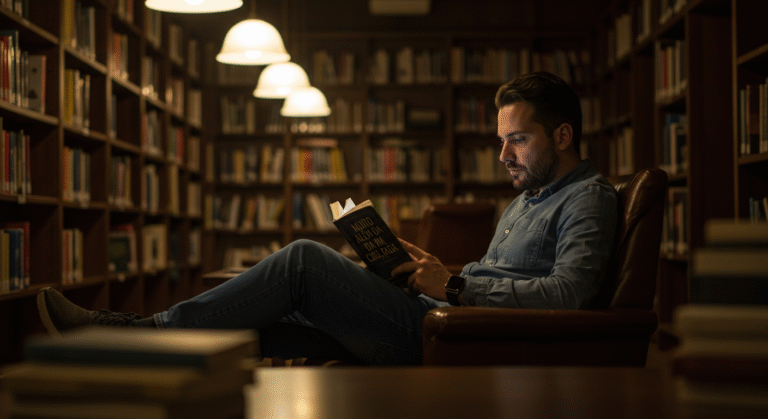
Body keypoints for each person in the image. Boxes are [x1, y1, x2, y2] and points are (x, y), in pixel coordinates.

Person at [37, 71, 618, 366]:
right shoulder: (527, 200)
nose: (503, 156)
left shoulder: (587, 197)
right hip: (440, 314)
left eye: (517, 140)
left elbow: (567, 295)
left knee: (302, 261)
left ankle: (138, 334)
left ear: (563, 136)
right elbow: (499, 277)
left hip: (456, 340)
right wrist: (436, 268)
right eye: (501, 140)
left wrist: (457, 285)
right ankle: (141, 353)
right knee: (279, 318)